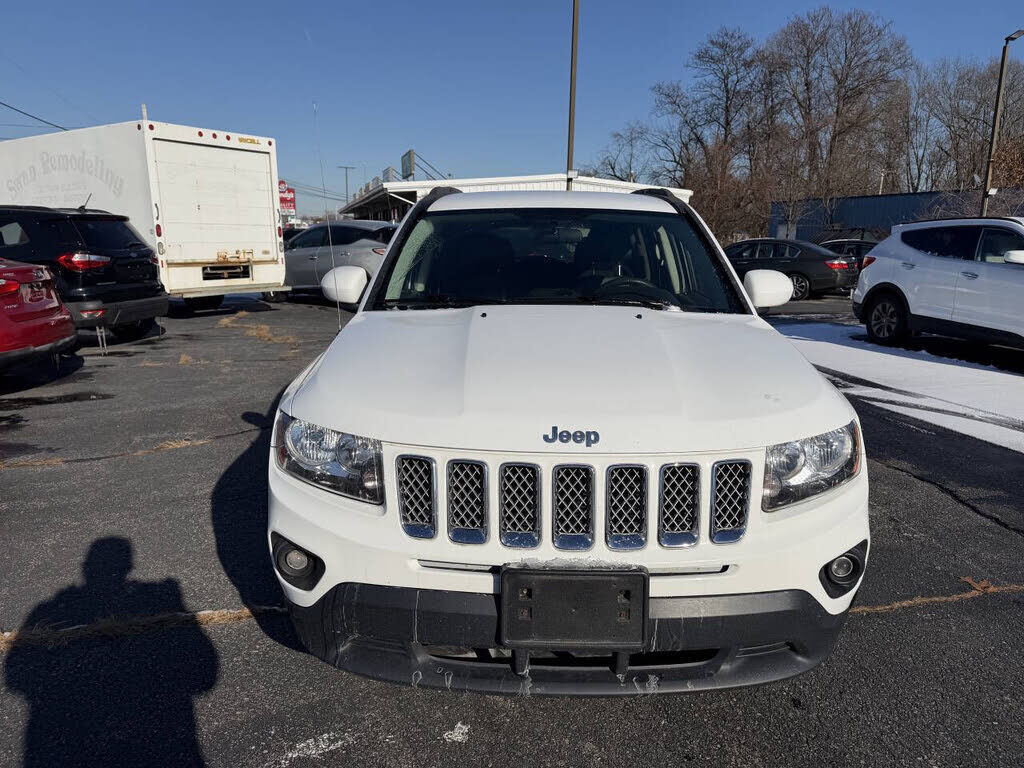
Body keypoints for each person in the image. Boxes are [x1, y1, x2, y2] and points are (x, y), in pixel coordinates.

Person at [4, 537, 218, 767]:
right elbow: (204, 678)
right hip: (162, 744)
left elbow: (16, 678)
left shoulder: (47, 608)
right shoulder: (49, 609)